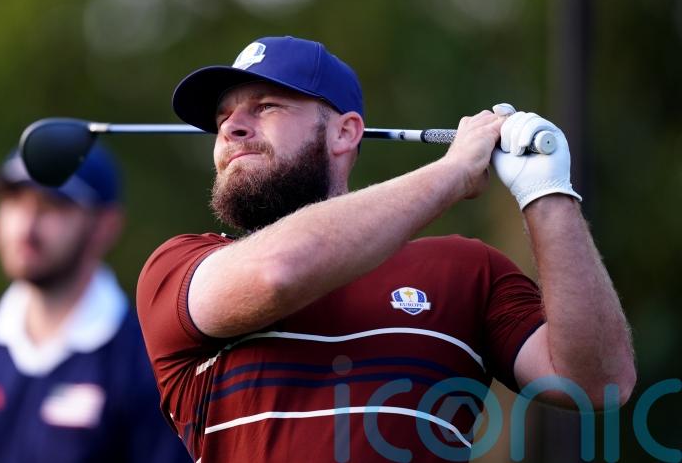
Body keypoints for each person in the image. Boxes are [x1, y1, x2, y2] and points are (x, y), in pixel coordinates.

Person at [136, 36, 636, 461]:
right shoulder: (178, 268)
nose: (231, 128)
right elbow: (279, 272)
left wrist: (547, 195)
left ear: (345, 132)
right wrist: (451, 172)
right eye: (223, 118)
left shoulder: (464, 271)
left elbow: (598, 382)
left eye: (265, 107)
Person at [0, 145, 191, 463]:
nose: (25, 227)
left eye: (53, 204)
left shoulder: (145, 366)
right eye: (14, 201)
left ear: (105, 226)